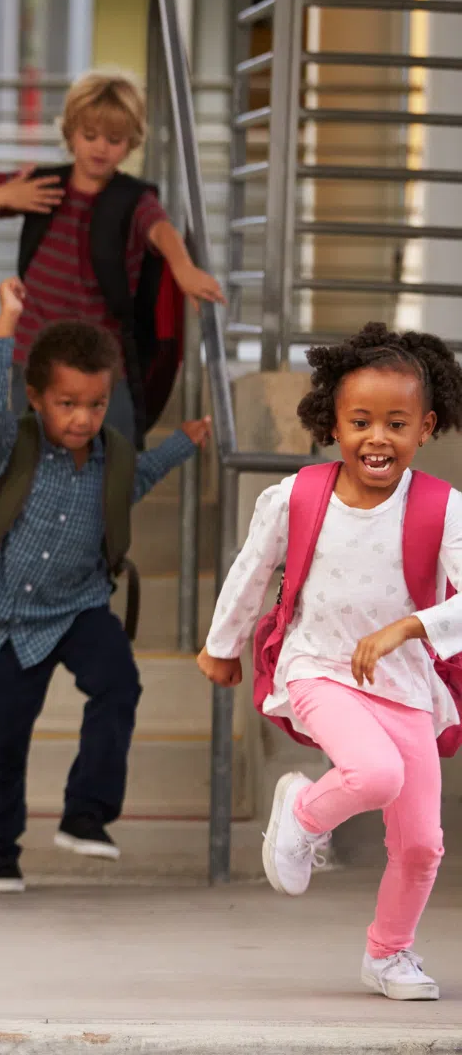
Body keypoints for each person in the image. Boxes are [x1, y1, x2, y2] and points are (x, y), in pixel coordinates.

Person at [199, 324, 462, 1002]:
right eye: (360, 421)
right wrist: (223, 644)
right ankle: (306, 810)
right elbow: (252, 569)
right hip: (318, 666)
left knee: (422, 844)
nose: (378, 438)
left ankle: (389, 954)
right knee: (373, 774)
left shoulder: (443, 509)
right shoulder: (298, 496)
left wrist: (410, 626)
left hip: (404, 688)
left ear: (425, 427)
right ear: (332, 423)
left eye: (397, 423)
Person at [0, 278, 207, 893]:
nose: (82, 418)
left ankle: (86, 813)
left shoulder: (112, 457)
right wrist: (6, 321)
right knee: (1, 741)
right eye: (67, 403)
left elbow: (139, 479)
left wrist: (182, 443)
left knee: (119, 684)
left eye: (95, 404)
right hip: (11, 614)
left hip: (81, 604)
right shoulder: (11, 446)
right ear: (38, 398)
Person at [0, 70, 225, 444]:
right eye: (89, 135)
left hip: (101, 362)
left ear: (130, 144)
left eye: (114, 139)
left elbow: (160, 230)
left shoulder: (134, 199)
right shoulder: (40, 184)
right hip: (33, 352)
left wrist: (184, 268)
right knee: (19, 456)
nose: (100, 148)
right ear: (70, 135)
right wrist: (1, 197)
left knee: (115, 458)